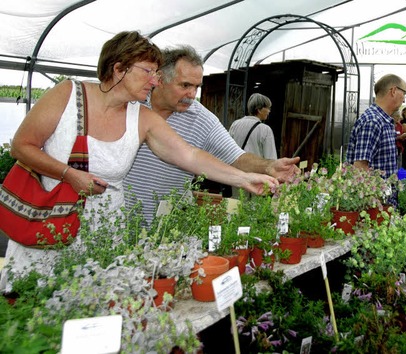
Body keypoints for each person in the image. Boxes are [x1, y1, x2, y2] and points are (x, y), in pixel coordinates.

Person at [1, 31, 277, 290]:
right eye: (149, 72)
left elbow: (190, 156)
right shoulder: (68, 94)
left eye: (157, 74)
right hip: (48, 226)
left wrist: (246, 179)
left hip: (105, 237)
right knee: (34, 301)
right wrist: (68, 174)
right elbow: (21, 146)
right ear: (118, 69)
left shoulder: (141, 117)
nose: (155, 81)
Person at [124, 46, 299, 223]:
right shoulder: (130, 104)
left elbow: (236, 156)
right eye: (185, 85)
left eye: (196, 87)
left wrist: (268, 166)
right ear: (160, 79)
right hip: (116, 216)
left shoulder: (201, 118)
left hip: (166, 222)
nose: (192, 95)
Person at [346, 73, 406, 179]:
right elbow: (360, 168)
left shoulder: (383, 120)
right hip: (375, 196)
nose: (404, 100)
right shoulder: (373, 121)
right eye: (404, 93)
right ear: (393, 91)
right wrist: (375, 195)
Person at [229, 93, 278, 160]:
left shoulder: (235, 124)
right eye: (267, 108)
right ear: (259, 110)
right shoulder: (265, 129)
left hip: (236, 169)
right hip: (255, 170)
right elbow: (271, 158)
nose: (269, 111)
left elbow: (229, 150)